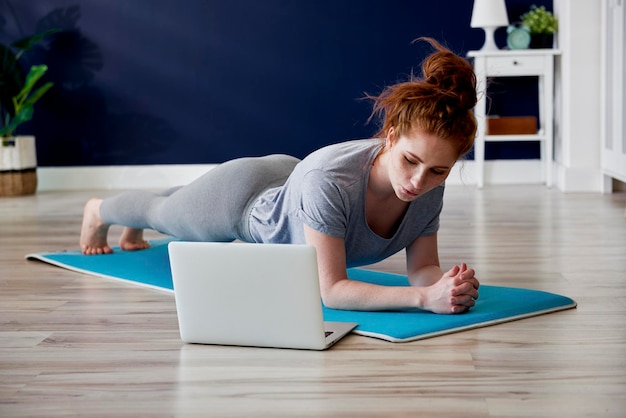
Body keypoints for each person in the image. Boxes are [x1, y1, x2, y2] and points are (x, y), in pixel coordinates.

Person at [80, 37, 480, 314]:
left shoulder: (429, 185)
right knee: (162, 216)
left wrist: (446, 284)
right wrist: (424, 300)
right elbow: (333, 291)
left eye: (437, 171)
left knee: (175, 204)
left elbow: (421, 269)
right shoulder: (333, 181)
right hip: (245, 200)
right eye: (410, 161)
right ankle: (99, 211)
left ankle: (151, 213)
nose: (418, 181)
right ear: (391, 136)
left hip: (293, 183)